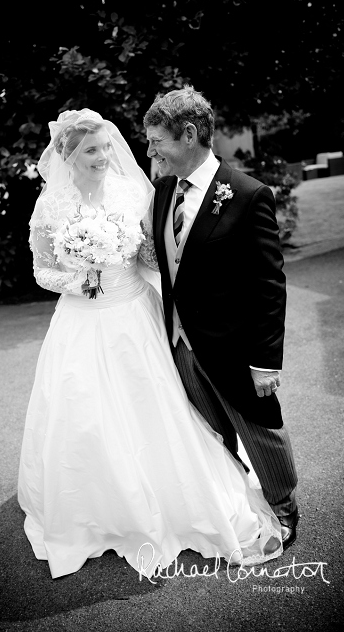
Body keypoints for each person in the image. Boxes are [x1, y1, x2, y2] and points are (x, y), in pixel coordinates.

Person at [17, 108, 282, 580]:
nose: (103, 157)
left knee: (162, 407)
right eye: (91, 150)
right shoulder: (50, 205)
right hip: (82, 320)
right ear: (67, 154)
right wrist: (79, 281)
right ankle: (106, 507)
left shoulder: (132, 190)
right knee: (85, 415)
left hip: (136, 314)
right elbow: (42, 270)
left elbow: (155, 253)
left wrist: (152, 261)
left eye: (104, 147)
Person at [143, 86, 298, 550]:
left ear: (188, 134)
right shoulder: (164, 189)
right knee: (211, 435)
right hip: (180, 344)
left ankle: (285, 508)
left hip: (233, 346)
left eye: (157, 141)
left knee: (260, 430)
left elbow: (269, 286)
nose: (151, 151)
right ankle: (235, 505)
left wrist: (266, 360)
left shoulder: (249, 195)